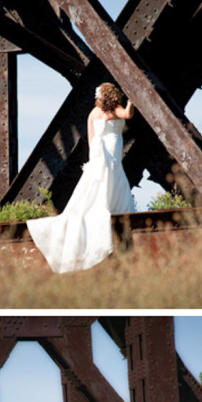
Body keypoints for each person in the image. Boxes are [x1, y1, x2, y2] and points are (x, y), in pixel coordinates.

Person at [27, 82, 136, 273]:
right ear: (114, 95)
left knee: (102, 173)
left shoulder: (94, 113)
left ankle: (102, 204)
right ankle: (112, 205)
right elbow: (128, 114)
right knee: (114, 171)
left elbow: (91, 135)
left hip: (100, 147)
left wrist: (94, 156)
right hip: (113, 144)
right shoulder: (117, 108)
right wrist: (133, 100)